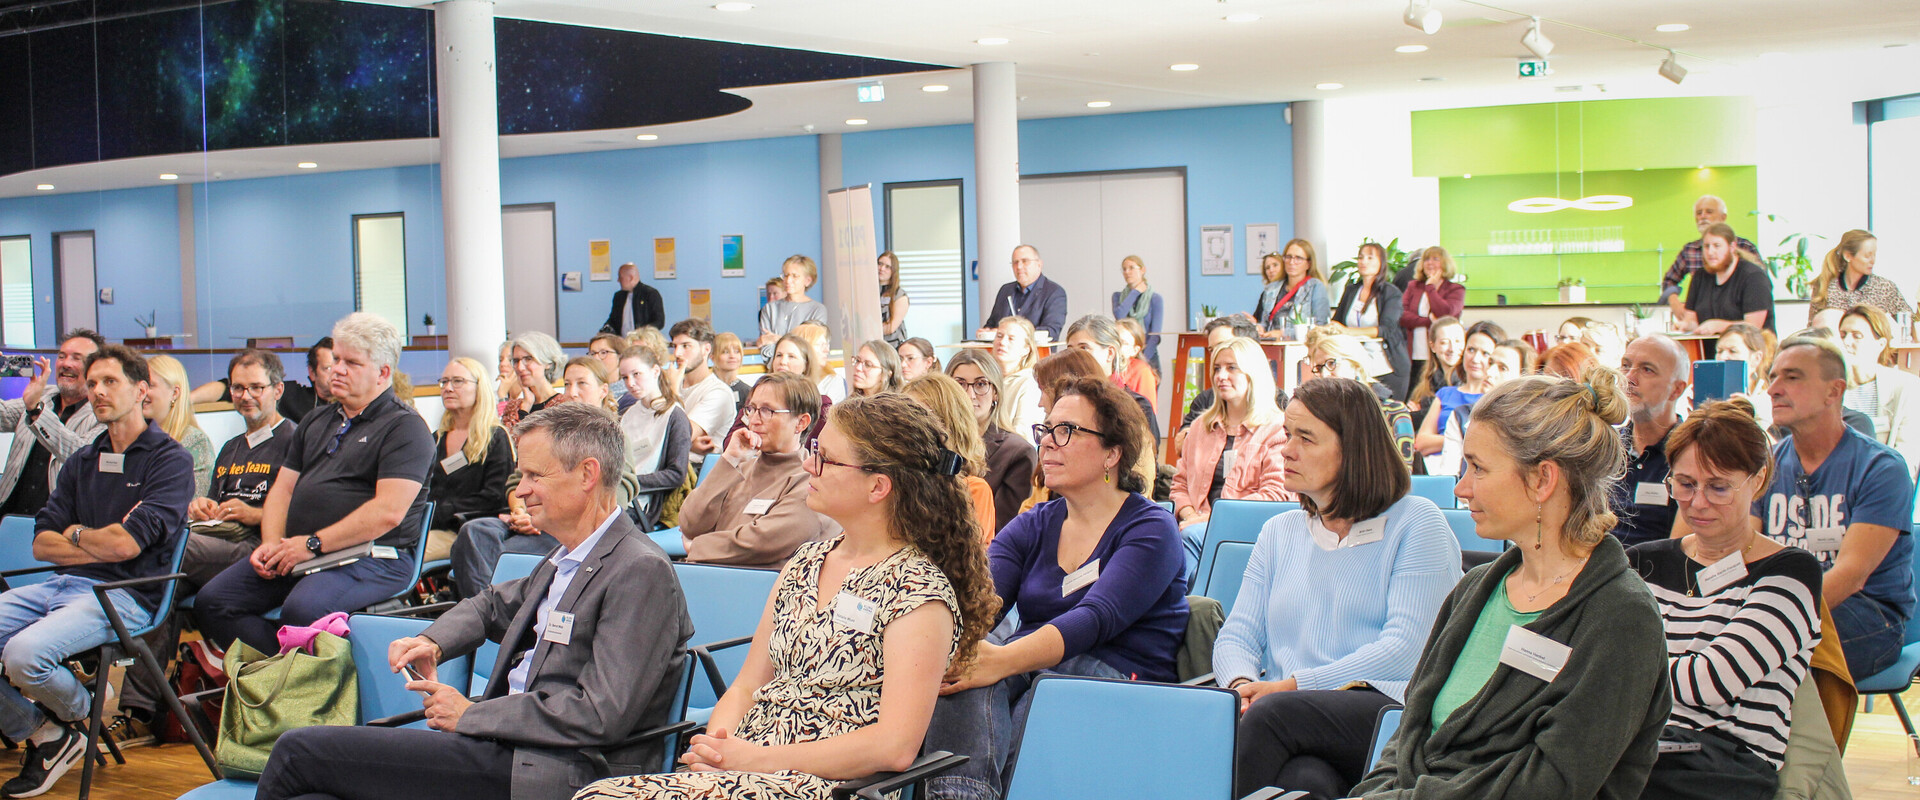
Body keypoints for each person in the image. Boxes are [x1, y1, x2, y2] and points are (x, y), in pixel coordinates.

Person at [257, 403, 694, 800]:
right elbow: (489, 606)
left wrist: (471, 715)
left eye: (534, 476)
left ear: (587, 474)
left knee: (298, 750)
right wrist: (432, 642)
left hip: (559, 769)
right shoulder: (569, 557)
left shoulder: (639, 570)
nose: (520, 491)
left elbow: (600, 713)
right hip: (508, 748)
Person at [576, 394, 996, 800]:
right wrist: (716, 748)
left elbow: (894, 746)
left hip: (824, 784)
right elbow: (744, 687)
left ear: (878, 487)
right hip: (746, 766)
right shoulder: (807, 561)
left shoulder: (919, 593)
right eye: (815, 449)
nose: (808, 464)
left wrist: (758, 760)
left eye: (826, 458)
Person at [1353, 367, 1672, 800]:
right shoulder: (1475, 590)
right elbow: (1407, 736)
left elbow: (1548, 784)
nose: (1462, 487)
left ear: (1543, 479)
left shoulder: (1621, 617)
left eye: (1479, 468)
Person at [923, 377, 1188, 800]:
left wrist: (1004, 658)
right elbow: (977, 602)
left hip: (1119, 675)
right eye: (1046, 430)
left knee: (1033, 687)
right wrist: (966, 646)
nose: (1048, 443)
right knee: (965, 666)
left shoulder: (1150, 527)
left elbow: (1094, 619)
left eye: (1066, 431)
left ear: (1112, 454)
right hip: (1035, 663)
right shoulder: (1036, 522)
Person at [1220, 377, 1462, 800]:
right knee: (1307, 781)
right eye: (1287, 434)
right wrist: (1242, 686)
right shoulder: (1279, 531)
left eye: (1306, 439)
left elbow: (1406, 649)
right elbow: (1237, 635)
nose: (1287, 450)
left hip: (1384, 710)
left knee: (1275, 718)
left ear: (1353, 450)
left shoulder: (1417, 522)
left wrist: (1292, 687)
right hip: (1286, 719)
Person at [0, 345, 192, 799]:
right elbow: (41, 542)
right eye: (93, 384)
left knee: (24, 655)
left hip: (128, 594)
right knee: (24, 653)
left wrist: (75, 536)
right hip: (60, 584)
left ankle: (81, 706)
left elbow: (127, 545)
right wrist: (95, 540)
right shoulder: (83, 459)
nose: (98, 392)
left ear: (141, 390)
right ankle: (49, 734)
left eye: (110, 382)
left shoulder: (170, 460)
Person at [196, 313, 436, 655]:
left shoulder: (405, 428)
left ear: (383, 373)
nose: (336, 369)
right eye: (336, 359)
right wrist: (271, 544)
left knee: (302, 609)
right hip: (303, 550)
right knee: (213, 602)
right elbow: (283, 489)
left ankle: (304, 685)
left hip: (371, 556)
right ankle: (283, 675)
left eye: (351, 362)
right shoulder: (316, 420)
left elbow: (388, 513)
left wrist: (311, 544)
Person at [1625, 397, 1823, 800]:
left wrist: (1617, 669)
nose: (1698, 502)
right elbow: (1586, 653)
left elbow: (1711, 681)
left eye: (1718, 487)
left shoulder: (1790, 571)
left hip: (1724, 766)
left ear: (1759, 480)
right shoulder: (1643, 561)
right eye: (1684, 484)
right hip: (1632, 743)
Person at [1742, 335, 1915, 678]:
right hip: (1779, 605)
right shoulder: (1768, 463)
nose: (1774, 388)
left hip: (1866, 613)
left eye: (1792, 377)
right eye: (1773, 376)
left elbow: (1851, 575)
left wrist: (1767, 619)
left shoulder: (1881, 468)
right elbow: (1746, 548)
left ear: (1834, 391)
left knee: (1762, 654)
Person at [679, 372, 839, 568]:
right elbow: (690, 523)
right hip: (714, 576)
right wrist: (729, 459)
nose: (754, 420)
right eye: (751, 409)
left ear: (801, 422)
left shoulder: (809, 481)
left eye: (767, 411)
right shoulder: (739, 469)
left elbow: (765, 540)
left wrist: (699, 546)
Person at [1172, 337, 1291, 576]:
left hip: (1247, 527)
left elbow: (1277, 494)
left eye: (1231, 368)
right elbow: (1179, 485)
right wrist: (1192, 516)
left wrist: (1212, 519)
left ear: (1252, 373)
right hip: (1194, 524)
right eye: (1217, 368)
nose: (1221, 376)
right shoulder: (1199, 427)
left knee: (1186, 540)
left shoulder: (1277, 428)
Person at [184, 349, 301, 589]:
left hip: (260, 544)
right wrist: (202, 507)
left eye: (257, 387)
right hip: (218, 537)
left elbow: (309, 514)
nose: (246, 396)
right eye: (238, 388)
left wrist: (253, 514)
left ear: (278, 390)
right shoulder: (230, 447)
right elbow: (212, 500)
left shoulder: (297, 440)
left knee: (174, 546)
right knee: (165, 584)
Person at [0, 329, 104, 518]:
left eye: (76, 358)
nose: (66, 364)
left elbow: (77, 454)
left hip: (56, 525)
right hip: (7, 514)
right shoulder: (41, 395)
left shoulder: (102, 414)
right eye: (62, 357)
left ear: (96, 369)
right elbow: (3, 416)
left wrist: (36, 411)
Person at [422, 357, 512, 565]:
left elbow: (495, 496)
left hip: (466, 531)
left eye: (458, 381)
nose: (448, 388)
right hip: (428, 525)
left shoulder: (494, 437)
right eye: (444, 382)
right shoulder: (436, 438)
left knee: (409, 552)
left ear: (479, 388)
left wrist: (443, 511)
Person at [1609, 335, 1692, 549]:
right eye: (1625, 366)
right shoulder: (1605, 446)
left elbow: (1680, 552)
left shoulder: (1691, 454)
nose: (1629, 377)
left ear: (1677, 389)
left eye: (1647, 369)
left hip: (1653, 575)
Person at [947, 350, 1036, 535]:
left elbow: (1006, 531)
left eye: (981, 384)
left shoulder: (1018, 452)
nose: (969, 394)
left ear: (995, 392)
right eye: (959, 384)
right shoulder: (934, 443)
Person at [903, 374, 997, 541]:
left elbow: (967, 560)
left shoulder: (973, 490)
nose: (911, 426)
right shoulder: (891, 479)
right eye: (906, 417)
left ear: (949, 424)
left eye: (920, 416)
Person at [1310, 333, 1416, 470]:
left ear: (1356, 366)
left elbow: (1402, 471)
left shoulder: (1393, 412)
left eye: (1331, 363)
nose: (1324, 374)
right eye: (1318, 368)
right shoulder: (1316, 415)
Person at [1837, 304, 1920, 475]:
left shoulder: (1906, 387)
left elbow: (1907, 455)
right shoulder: (1831, 388)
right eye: (1842, 335)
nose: (1846, 342)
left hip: (1885, 482)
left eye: (1857, 336)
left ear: (1881, 344)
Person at [616, 344, 690, 531]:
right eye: (625, 377)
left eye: (636, 374)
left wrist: (628, 483)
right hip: (618, 495)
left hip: (640, 505)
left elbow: (676, 475)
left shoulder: (674, 416)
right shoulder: (627, 414)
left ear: (655, 371)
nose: (630, 383)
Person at [1176, 316, 1275, 452]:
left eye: (1223, 345)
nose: (1217, 353)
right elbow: (1181, 445)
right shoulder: (1204, 400)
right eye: (1211, 350)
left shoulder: (1276, 406)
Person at [1414, 321, 1503, 470]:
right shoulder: (1446, 393)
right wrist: (1457, 440)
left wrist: (1446, 441)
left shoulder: (1495, 399)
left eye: (1485, 353)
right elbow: (1421, 442)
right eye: (1471, 350)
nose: (1475, 359)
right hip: (1435, 469)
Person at [1328, 241, 1411, 401]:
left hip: (1386, 366)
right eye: (1361, 257)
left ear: (1381, 263)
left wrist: (1349, 332)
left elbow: (1387, 329)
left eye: (1370, 258)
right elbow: (1337, 321)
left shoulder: (1390, 292)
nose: (1363, 261)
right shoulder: (1351, 290)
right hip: (1356, 366)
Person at [1064, 314, 1161, 445]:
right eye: (1070, 349)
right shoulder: (1064, 401)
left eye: (1084, 348)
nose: (1074, 356)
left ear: (1110, 353)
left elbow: (1146, 460)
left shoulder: (1137, 405)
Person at [190, 338, 333, 423]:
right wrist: (186, 399)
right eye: (328, 368)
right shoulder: (293, 396)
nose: (337, 374)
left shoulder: (353, 405)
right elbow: (224, 389)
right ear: (312, 372)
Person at [1661, 195, 1763, 313]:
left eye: (1709, 212)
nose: (1703, 216)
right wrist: (1676, 304)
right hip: (1702, 321)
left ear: (1723, 217)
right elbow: (1669, 280)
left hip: (1740, 318)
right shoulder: (1690, 250)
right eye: (1699, 213)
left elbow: (1761, 285)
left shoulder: (1745, 247)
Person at [1679, 222, 1776, 335]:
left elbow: (1753, 327)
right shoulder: (1700, 276)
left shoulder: (1754, 277)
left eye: (1717, 246)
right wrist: (1685, 325)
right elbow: (1692, 320)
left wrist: (1719, 326)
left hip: (1750, 349)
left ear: (1732, 247)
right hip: (1709, 349)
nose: (1710, 252)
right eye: (1706, 246)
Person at [670, 318, 739, 467]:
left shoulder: (718, 392)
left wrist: (673, 392)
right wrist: (692, 444)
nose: (677, 353)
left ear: (706, 349)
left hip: (695, 471)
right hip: (669, 465)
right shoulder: (674, 383)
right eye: (674, 346)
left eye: (685, 346)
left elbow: (680, 436)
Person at [144, 354, 214, 496]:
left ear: (175, 393)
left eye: (150, 385)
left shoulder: (195, 442)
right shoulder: (136, 439)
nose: (142, 392)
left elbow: (193, 503)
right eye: (140, 385)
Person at [1811, 229, 1908, 330]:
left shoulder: (1885, 287)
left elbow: (1910, 323)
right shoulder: (1824, 286)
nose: (1873, 261)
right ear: (1847, 256)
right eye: (1867, 256)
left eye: (1874, 255)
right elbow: (1811, 330)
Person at [1400, 247, 1466, 390]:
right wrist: (1428, 321)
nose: (1430, 263)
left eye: (1435, 259)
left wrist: (1430, 287)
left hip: (1443, 354)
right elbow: (1402, 315)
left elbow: (1445, 314)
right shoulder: (1413, 286)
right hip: (1415, 352)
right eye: (1427, 259)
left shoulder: (1456, 289)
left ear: (1445, 263)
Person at [981, 245, 1069, 341]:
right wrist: (986, 332)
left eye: (1025, 261)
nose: (1019, 267)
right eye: (1015, 262)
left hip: (1037, 354)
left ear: (1039, 264)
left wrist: (1010, 333)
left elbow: (1051, 331)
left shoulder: (1054, 292)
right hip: (1003, 353)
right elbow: (992, 323)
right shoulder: (1005, 290)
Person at [757, 255, 829, 356]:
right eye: (786, 275)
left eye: (795, 276)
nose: (788, 280)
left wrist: (779, 340)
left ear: (807, 281)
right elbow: (766, 351)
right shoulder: (770, 309)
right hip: (776, 369)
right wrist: (796, 343)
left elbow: (811, 349)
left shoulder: (817, 310)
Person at [1252, 239, 1330, 331]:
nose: (1292, 262)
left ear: (1308, 264)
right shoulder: (1272, 288)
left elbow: (1320, 326)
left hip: (1301, 343)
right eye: (1288, 257)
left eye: (1298, 258)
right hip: (1271, 342)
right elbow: (1265, 322)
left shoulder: (1315, 287)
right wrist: (1258, 327)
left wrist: (1284, 333)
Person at [499, 331, 565, 434]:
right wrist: (524, 408)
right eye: (516, 361)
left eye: (528, 359)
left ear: (548, 363)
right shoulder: (513, 407)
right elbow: (508, 446)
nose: (520, 367)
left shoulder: (564, 407)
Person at [991, 316, 1046, 439]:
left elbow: (1025, 435)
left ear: (1026, 349)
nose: (1002, 342)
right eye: (999, 336)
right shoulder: (986, 380)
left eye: (1011, 339)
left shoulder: (1030, 384)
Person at [1717, 323, 1777, 428]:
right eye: (1719, 351)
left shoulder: (1768, 400)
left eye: (1733, 351)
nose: (1723, 357)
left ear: (1756, 358)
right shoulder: (1694, 391)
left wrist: (1751, 413)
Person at [1110, 254, 1164, 369]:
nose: (1127, 272)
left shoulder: (1155, 299)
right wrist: (1135, 292)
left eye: (1131, 268)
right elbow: (1120, 316)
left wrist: (1142, 360)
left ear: (1142, 270)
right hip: (1125, 358)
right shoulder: (1118, 296)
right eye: (1124, 269)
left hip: (1149, 356)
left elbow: (1155, 335)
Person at [601, 261, 667, 335]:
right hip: (622, 342)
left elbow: (659, 321)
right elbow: (613, 320)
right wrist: (604, 330)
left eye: (620, 277)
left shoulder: (650, 294)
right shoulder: (618, 297)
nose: (618, 280)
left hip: (643, 341)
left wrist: (641, 333)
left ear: (631, 278)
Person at [794, 321, 849, 404]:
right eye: (820, 345)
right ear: (803, 347)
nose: (827, 350)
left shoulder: (833, 381)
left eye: (827, 345)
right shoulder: (786, 379)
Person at [1112, 318, 1159, 411]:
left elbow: (1147, 413)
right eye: (1113, 340)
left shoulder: (1142, 371)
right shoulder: (1101, 366)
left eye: (1123, 343)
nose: (1116, 345)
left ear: (1135, 350)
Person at [587, 333, 634, 411]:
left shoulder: (631, 396)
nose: (596, 358)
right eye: (592, 354)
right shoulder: (587, 392)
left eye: (603, 352)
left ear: (620, 356)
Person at [880, 250, 912, 347]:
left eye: (887, 267)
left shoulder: (900, 296)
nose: (881, 268)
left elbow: (891, 327)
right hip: (872, 345)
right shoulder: (868, 293)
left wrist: (867, 330)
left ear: (893, 271)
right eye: (880, 264)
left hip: (892, 347)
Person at [712, 331, 751, 408]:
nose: (732, 356)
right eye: (725, 352)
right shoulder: (707, 388)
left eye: (737, 351)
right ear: (712, 357)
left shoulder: (748, 392)